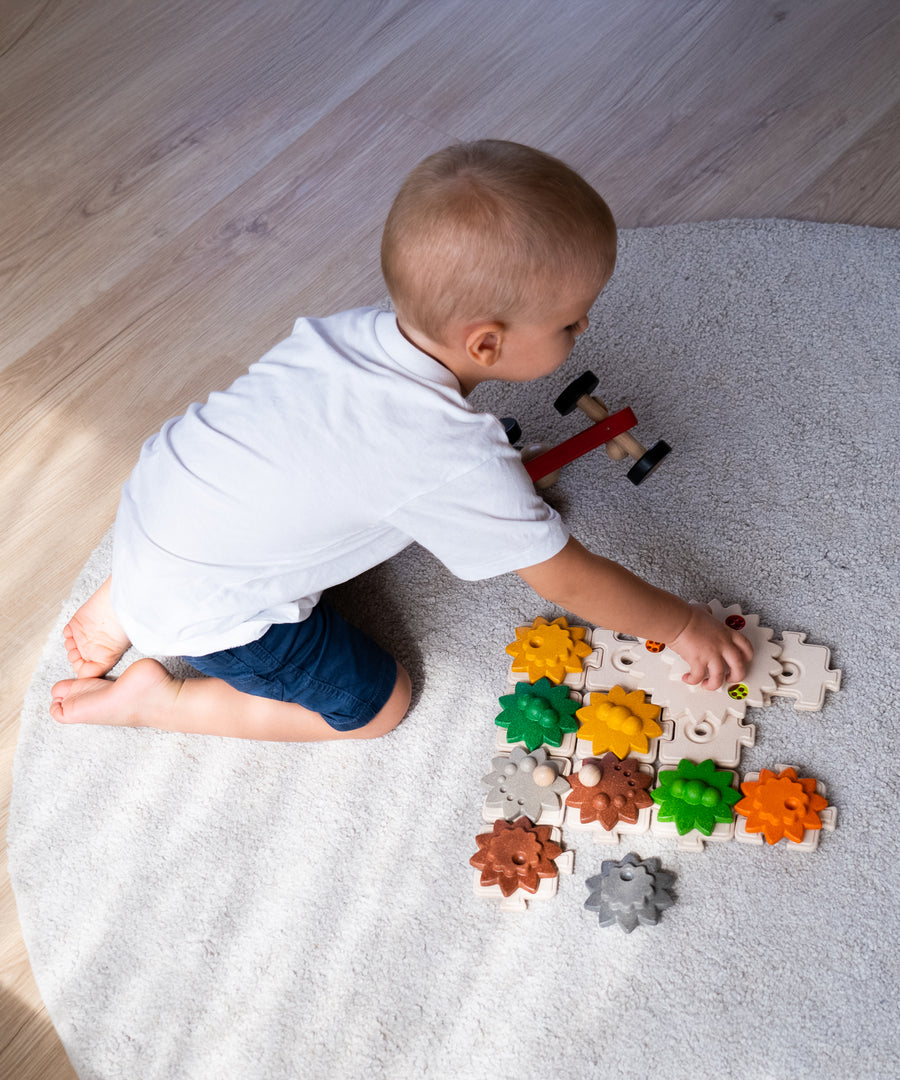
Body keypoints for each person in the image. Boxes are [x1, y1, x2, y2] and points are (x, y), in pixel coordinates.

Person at [50, 140, 752, 742]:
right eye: (571, 323)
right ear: (485, 343)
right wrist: (682, 624)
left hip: (164, 503)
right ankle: (162, 700)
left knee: (235, 507)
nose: (585, 331)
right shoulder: (450, 453)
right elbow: (568, 576)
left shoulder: (348, 332)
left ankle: (131, 596)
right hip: (218, 610)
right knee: (375, 706)